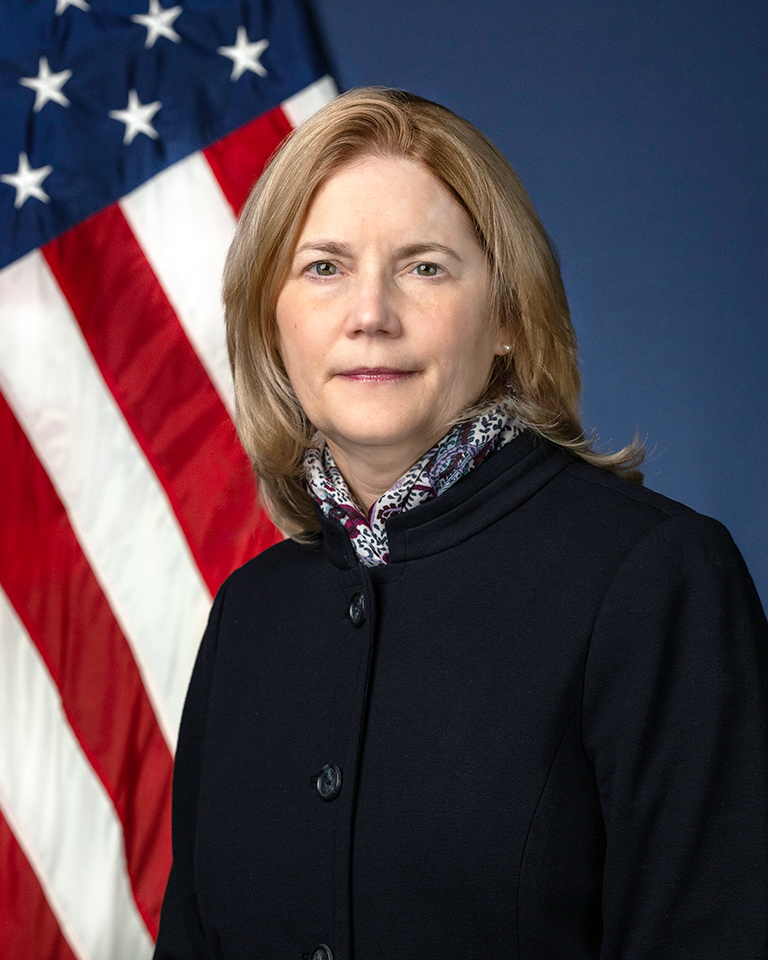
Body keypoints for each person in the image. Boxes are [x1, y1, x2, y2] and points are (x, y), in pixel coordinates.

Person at [153, 88, 768, 960]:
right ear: (270, 318)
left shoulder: (658, 580)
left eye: (425, 266)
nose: (370, 313)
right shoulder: (250, 615)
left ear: (510, 316)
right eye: (323, 267)